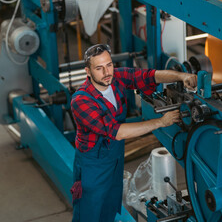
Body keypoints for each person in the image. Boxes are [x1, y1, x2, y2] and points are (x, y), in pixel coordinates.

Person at [70, 44, 197, 222]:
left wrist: (181, 76)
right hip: (93, 165)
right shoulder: (81, 101)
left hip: (114, 159)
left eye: (109, 65)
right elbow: (117, 132)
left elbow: (148, 76)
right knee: (89, 213)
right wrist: (161, 121)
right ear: (88, 71)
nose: (106, 72)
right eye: (99, 68)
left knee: (109, 208)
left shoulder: (116, 77)